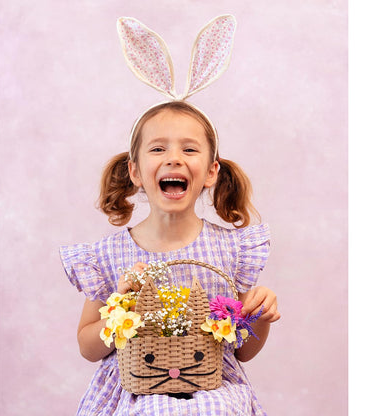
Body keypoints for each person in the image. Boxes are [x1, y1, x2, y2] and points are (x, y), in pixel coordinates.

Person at [59, 99, 281, 415]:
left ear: (211, 171)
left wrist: (259, 314)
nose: (174, 159)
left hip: (211, 387)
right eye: (158, 149)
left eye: (189, 150)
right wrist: (119, 311)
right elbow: (87, 347)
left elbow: (243, 352)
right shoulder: (108, 255)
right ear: (135, 171)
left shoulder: (230, 250)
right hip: (134, 390)